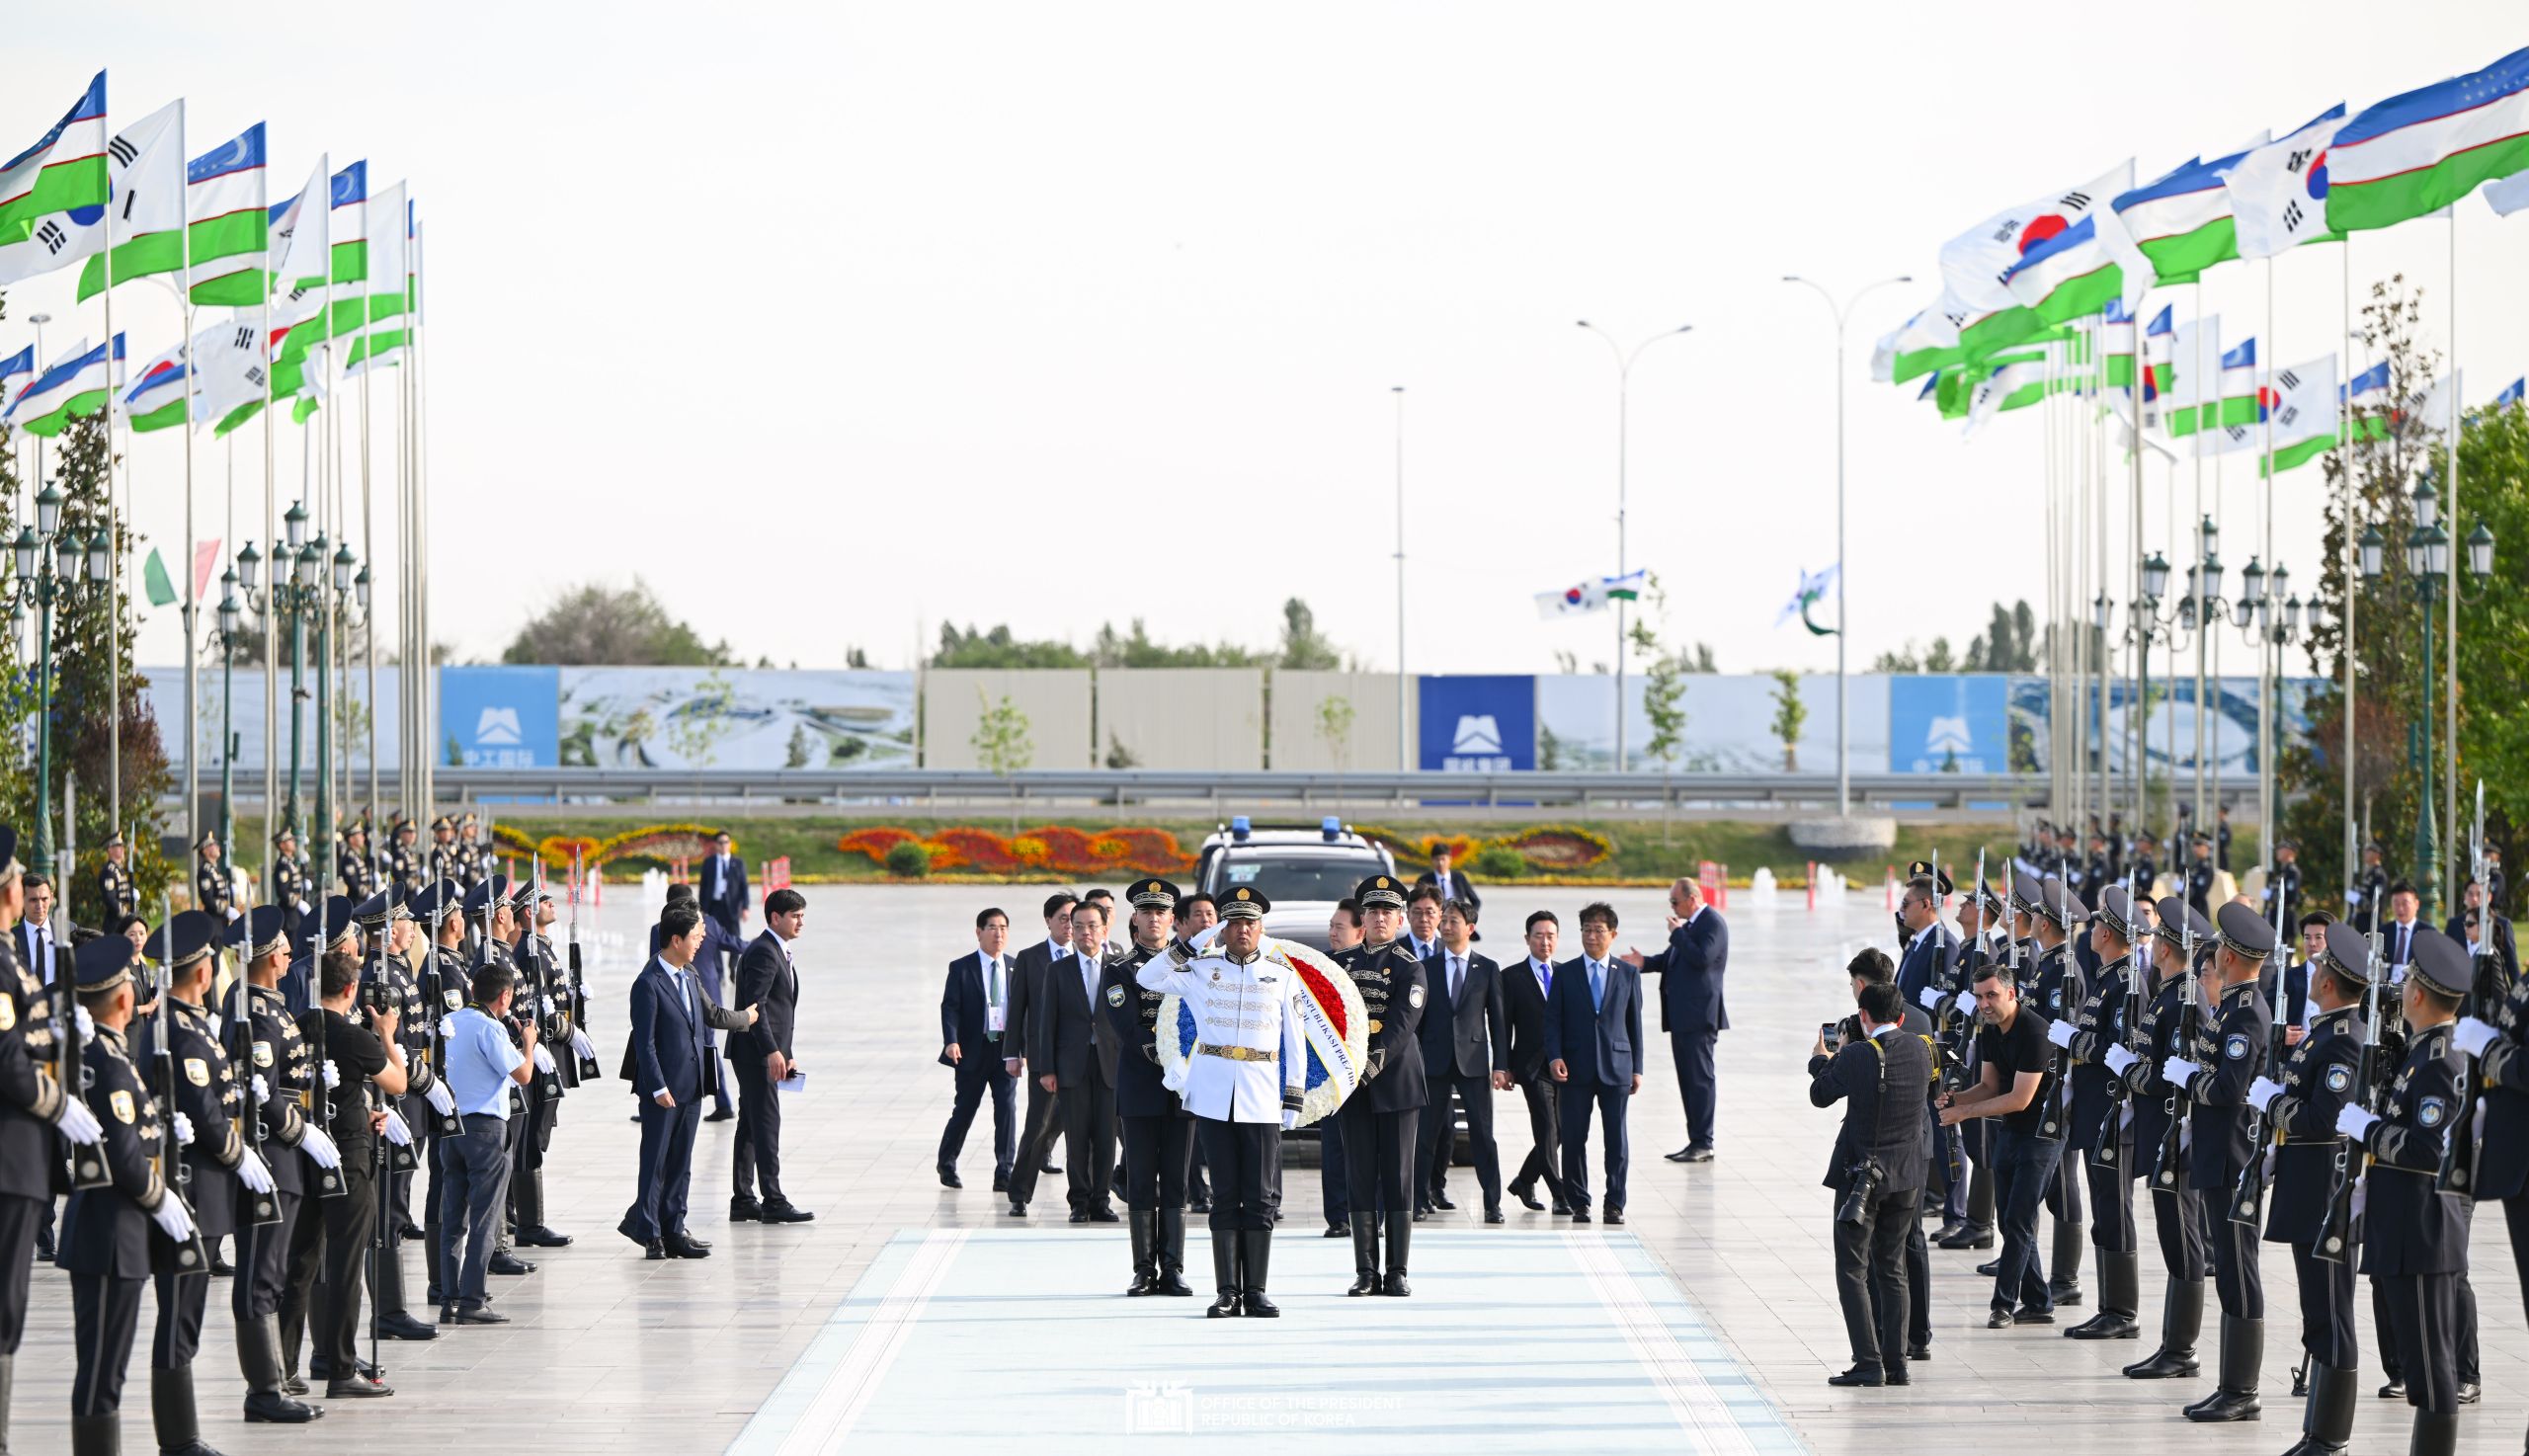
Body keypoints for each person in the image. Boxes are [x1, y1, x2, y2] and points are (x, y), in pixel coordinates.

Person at [1133, 886, 1306, 1318]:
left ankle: (1257, 1290)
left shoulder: (1281, 977)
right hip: (1213, 1097)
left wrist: (1294, 1096)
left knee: (1261, 1195)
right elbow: (1146, 978)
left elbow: (1294, 1043)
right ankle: (1228, 1290)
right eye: (1235, 923)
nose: (1243, 930)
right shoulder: (1200, 970)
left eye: (1250, 923)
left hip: (1262, 1096)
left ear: (1261, 928)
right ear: (1224, 929)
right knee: (1225, 1194)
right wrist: (1191, 942)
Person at [60, 935, 202, 1456]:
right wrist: (160, 1197)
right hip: (107, 1233)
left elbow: (134, 1133)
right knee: (102, 1370)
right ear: (124, 999)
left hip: (119, 1233)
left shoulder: (111, 1053)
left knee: (108, 1368)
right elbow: (121, 1152)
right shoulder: (107, 1058)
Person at [143, 910, 273, 1456]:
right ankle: (178, 1440)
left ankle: (185, 1435)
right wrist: (237, 1154)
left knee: (188, 1314)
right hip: (193, 1188)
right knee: (179, 1315)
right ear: (202, 971)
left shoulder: (195, 1022)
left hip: (210, 1190)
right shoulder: (176, 1027)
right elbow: (201, 1106)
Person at [2341, 928, 2470, 1456]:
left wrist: (2367, 1131)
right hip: (2401, 1228)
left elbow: (2428, 1150)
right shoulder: (2421, 1053)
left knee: (2431, 1365)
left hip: (2422, 1231)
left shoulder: (2441, 1061)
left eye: (2407, 980)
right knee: (2418, 1366)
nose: (2402, 989)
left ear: (2418, 993)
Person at [2152, 899, 2276, 1421]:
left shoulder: (2246, 1011)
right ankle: (2231, 1384)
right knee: (2227, 1267)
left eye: (2221, 946)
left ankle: (2242, 1390)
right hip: (2215, 1150)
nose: (2216, 952)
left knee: (2237, 1268)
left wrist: (2187, 1078)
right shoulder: (2229, 1004)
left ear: (2229, 956)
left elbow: (2228, 1088)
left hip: (2232, 1155)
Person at [2249, 919, 2370, 1456]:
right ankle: (2316, 1428)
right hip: (2303, 1183)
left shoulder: (2344, 1040)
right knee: (2316, 1308)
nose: (2313, 969)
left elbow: (2325, 1118)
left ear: (2327, 981)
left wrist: (2273, 1103)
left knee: (2330, 1307)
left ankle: (2331, 1433)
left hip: (2323, 1186)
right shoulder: (2324, 1029)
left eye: (2320, 966)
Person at [224, 907, 322, 1422]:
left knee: (273, 1271)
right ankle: (264, 1390)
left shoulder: (272, 1005)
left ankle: (273, 1382)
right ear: (263, 957)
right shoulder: (254, 1010)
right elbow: (262, 1094)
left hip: (285, 1158)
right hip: (269, 1153)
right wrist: (299, 1131)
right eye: (283, 946)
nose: (290, 952)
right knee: (261, 1275)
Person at [2113, 897, 2217, 1381]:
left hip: (2175, 1135)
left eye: (2156, 939)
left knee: (2183, 1238)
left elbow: (2172, 1075)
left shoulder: (2185, 998)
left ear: (2168, 947)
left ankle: (2182, 1348)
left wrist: (2131, 1073)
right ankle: (2173, 1343)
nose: (2150, 945)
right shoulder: (2168, 992)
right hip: (2160, 1133)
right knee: (2173, 1238)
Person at [296, 948, 407, 1401]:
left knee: (302, 1262)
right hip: (347, 1156)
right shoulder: (354, 1036)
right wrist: (386, 1034)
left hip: (305, 1153)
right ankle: (341, 1366)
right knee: (345, 1263)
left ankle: (296, 1365)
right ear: (350, 990)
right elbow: (398, 1082)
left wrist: (363, 1112)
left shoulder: (296, 1027)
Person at [1812, 979, 1932, 1388]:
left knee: (1852, 1268)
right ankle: (1896, 1363)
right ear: (1900, 1016)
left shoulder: (1858, 1054)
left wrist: (1826, 1058)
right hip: (1907, 1176)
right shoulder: (1920, 1047)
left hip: (1861, 1176)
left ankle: (1868, 1361)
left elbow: (1820, 1095)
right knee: (1892, 1267)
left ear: (1863, 1017)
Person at [618, 901, 755, 1258]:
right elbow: (644, 1043)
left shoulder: (691, 974)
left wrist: (746, 1017)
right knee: (655, 1162)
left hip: (692, 1086)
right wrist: (658, 1086)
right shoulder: (648, 983)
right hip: (663, 1090)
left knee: (681, 1163)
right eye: (695, 936)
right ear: (675, 940)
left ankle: (674, 1227)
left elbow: (711, 1014)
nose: (700, 942)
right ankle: (649, 1233)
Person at [1938, 958, 2061, 1327]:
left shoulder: (2035, 1032)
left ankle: (2003, 1304)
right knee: (2010, 1222)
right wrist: (1955, 1100)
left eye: (1991, 995)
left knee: (2020, 1220)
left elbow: (2020, 1098)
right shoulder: (1989, 1028)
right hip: (2011, 1131)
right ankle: (2039, 1302)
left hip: (2042, 1134)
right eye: (1978, 997)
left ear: (2012, 992)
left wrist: (1965, 1114)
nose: (1983, 1004)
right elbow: (1991, 1086)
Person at [2054, 884, 2141, 1340]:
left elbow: (2120, 1049)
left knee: (2114, 1208)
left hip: (2112, 1113)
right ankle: (2110, 1305)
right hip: (2094, 1112)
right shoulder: (2109, 976)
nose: (2090, 928)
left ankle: (2123, 1311)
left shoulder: (2127, 983)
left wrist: (2075, 1043)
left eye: (2097, 923)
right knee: (2104, 1210)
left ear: (2109, 932)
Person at [1334, 874, 1427, 1293]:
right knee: (1359, 1175)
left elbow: (1401, 1026)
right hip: (1353, 1086)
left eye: (1388, 911)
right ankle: (1366, 1271)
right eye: (1373, 911)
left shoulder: (1410, 966)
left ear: (1400, 917)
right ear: (1363, 918)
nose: (1380, 918)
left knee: (1397, 1178)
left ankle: (1398, 1271)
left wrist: (1372, 1063)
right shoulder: (1343, 964)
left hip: (1396, 1086)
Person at [1101, 879, 1194, 1297]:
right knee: (1141, 1178)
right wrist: (1165, 1056)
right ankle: (1143, 1269)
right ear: (1134, 919)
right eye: (1146, 912)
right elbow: (1126, 1026)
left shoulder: (1191, 966)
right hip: (1141, 1084)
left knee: (1176, 1179)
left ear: (1173, 919)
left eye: (1162, 912)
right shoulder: (1120, 970)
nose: (1154, 919)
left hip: (1183, 1090)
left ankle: (1172, 1267)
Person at [439, 958, 533, 1325]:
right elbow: (523, 1074)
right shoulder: (489, 1028)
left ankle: (449, 1296)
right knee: (484, 1217)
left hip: (452, 1127)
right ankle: (473, 1299)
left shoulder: (451, 1021)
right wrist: (528, 1043)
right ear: (505, 996)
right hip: (485, 1130)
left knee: (453, 1216)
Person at [1545, 902, 1644, 1227]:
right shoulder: (1565, 972)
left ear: (1613, 935)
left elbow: (1634, 1025)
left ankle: (1614, 1203)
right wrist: (1555, 1055)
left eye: (1598, 930)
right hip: (1575, 1068)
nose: (1591, 936)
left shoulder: (1628, 973)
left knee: (1617, 1140)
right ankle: (1579, 1202)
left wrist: (1637, 1068)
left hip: (1616, 1067)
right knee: (1574, 1138)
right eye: (1586, 929)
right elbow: (1553, 1021)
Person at [1415, 898, 1509, 1223]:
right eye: (1445, 920)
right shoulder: (1426, 968)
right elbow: (1419, 1021)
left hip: (1473, 1062)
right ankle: (1417, 1199)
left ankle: (1492, 1203)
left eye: (1454, 921)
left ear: (1470, 928)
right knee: (1425, 1133)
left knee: (1483, 1134)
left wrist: (1501, 1065)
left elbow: (1497, 1020)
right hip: (1434, 1061)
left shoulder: (1488, 969)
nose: (1447, 926)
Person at [1622, 875, 1728, 1164]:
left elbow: (1702, 958)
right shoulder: (1692, 926)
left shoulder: (1711, 924)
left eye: (1674, 901)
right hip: (1683, 1017)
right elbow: (1672, 959)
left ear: (1692, 899)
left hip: (1699, 1017)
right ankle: (1696, 1140)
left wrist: (1677, 933)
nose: (1672, 907)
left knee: (1700, 1080)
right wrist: (1644, 963)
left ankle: (1704, 1142)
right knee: (1688, 1080)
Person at [729, 887, 811, 1224]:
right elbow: (756, 1007)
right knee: (766, 1122)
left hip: (765, 1051)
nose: (800, 923)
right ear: (775, 917)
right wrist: (772, 1050)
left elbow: (781, 1009)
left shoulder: (780, 950)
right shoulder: (764, 952)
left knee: (750, 1123)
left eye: (803, 916)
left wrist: (786, 1052)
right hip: (755, 1053)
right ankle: (773, 1199)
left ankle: (744, 1198)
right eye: (795, 916)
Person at [1035, 898, 1119, 1224]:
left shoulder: (1118, 967)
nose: (1085, 932)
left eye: (1092, 926)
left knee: (1105, 1137)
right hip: (1072, 1066)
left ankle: (1102, 1199)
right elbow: (1047, 1022)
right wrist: (1048, 1069)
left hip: (1110, 1065)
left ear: (1104, 929)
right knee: (1077, 1136)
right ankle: (1079, 1201)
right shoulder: (1058, 970)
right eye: (1078, 926)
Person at [1002, 892, 1077, 1217]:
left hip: (1081, 1055)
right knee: (1038, 1124)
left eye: (1074, 918)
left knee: (1087, 1126)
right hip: (1043, 1056)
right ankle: (1019, 1192)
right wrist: (1011, 1054)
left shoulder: (1091, 955)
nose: (1069, 925)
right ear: (1048, 920)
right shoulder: (1030, 958)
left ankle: (1090, 1195)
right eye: (1062, 918)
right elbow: (1016, 1009)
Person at [937, 907, 1020, 1192]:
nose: (999, 933)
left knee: (1007, 1109)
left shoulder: (1014, 966)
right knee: (965, 1108)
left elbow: (1023, 1010)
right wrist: (951, 1040)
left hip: (1005, 1050)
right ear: (979, 932)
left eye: (1003, 928)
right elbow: (950, 1006)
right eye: (993, 927)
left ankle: (1005, 1170)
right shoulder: (962, 967)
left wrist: (1023, 1048)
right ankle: (947, 1163)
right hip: (972, 1049)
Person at [1503, 911, 1566, 1215]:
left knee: (1562, 1128)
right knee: (1546, 1127)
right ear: (1527, 939)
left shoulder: (1567, 974)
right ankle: (1560, 1192)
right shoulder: (1512, 977)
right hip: (1530, 1066)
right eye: (1538, 935)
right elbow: (1503, 1027)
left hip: (1563, 1065)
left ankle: (1525, 1180)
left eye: (1550, 935)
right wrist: (1503, 1065)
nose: (1545, 941)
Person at [1319, 897, 1362, 1236]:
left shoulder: (1372, 970)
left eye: (1339, 927)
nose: (1332, 932)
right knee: (1333, 1147)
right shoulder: (1321, 971)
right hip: (1331, 1077)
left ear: (1360, 932)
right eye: (1331, 926)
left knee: (1367, 1150)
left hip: (1367, 1075)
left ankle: (1366, 1213)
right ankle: (1337, 1217)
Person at [2446, 877, 2519, 1011]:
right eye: (2470, 893)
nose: (2474, 899)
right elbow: (2446, 963)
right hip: (2461, 1002)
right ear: (2464, 896)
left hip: (2492, 1001)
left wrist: (2518, 1004)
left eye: (2479, 894)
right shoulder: (2454, 925)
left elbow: (2512, 968)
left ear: (2489, 897)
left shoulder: (2502, 924)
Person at [697, 832, 750, 945]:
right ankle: (718, 964)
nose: (723, 845)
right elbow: (703, 886)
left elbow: (744, 886)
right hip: (714, 905)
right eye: (720, 842)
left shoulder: (738, 863)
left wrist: (745, 907)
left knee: (734, 935)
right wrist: (701, 907)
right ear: (716, 845)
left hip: (732, 904)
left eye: (726, 842)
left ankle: (733, 961)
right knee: (713, 936)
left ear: (730, 844)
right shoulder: (709, 862)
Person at [1413, 847, 1480, 920]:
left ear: (1450, 859)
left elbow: (1476, 901)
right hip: (1434, 922)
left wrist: (1468, 917)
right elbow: (1415, 903)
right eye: (1437, 859)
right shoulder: (1424, 880)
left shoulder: (1459, 877)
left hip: (1458, 921)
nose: (1440, 863)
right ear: (1432, 860)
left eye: (1443, 859)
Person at [96, 832, 135, 924]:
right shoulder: (109, 871)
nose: (122, 849)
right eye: (118, 846)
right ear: (110, 849)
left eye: (122, 846)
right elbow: (110, 899)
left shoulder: (119, 869)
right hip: (115, 922)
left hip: (123, 920)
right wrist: (126, 915)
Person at [193, 836, 233, 924]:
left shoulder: (215, 870)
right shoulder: (205, 871)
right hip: (213, 920)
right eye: (213, 845)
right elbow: (208, 899)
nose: (217, 847)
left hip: (221, 919)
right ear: (205, 850)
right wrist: (226, 909)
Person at [2264, 840, 2305, 927]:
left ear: (2289, 852)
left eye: (2281, 849)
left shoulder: (2292, 872)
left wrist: (2273, 896)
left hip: (2285, 916)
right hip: (2275, 913)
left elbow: (2291, 897)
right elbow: (2267, 894)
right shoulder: (2282, 872)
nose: (2277, 851)